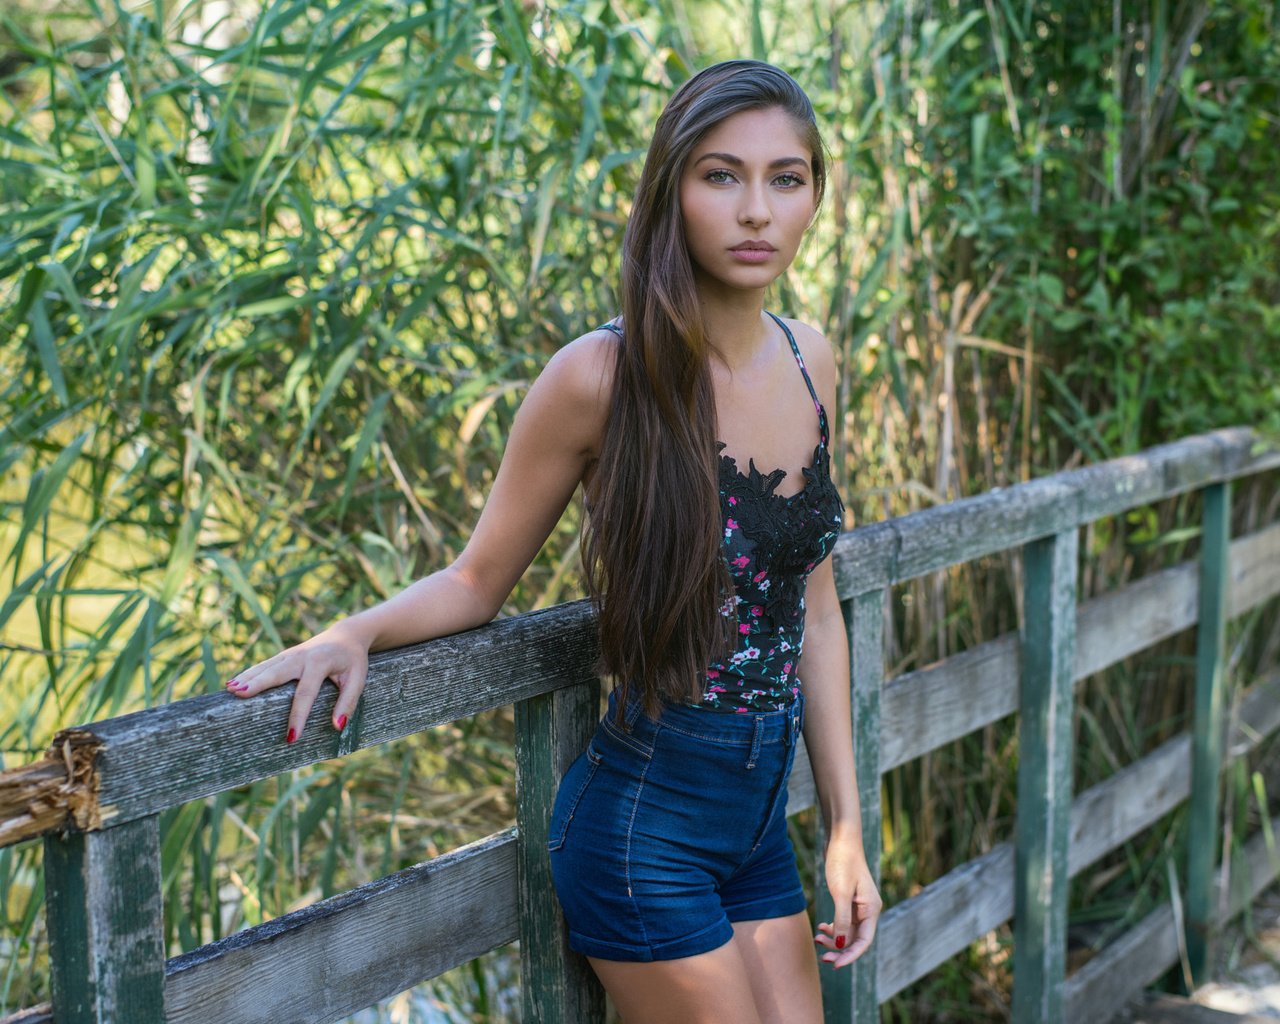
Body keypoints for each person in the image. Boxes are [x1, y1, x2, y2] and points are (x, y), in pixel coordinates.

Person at [226, 59, 881, 1024]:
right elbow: (476, 579)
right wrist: (352, 632)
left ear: (814, 194)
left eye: (786, 178)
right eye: (720, 175)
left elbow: (816, 617)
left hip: (754, 827)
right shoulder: (600, 376)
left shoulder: (808, 355)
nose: (755, 210)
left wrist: (845, 831)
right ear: (671, 193)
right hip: (643, 828)